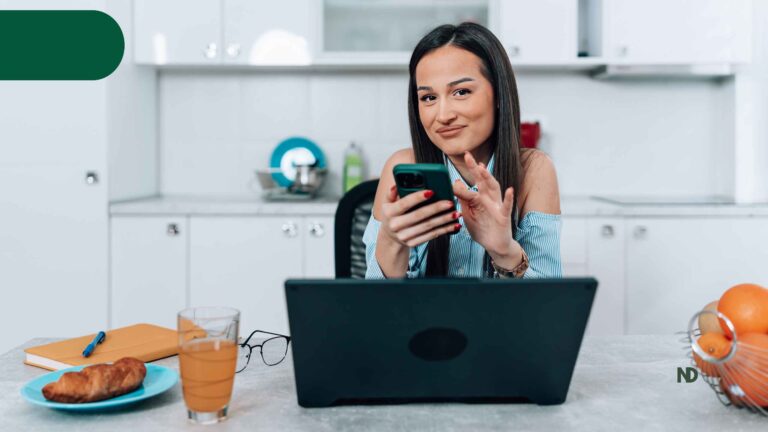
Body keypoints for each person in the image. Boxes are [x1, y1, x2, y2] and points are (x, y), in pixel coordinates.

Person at [363, 22, 562, 279]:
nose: (443, 115)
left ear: (499, 95)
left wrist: (505, 252)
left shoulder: (533, 170)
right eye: (428, 98)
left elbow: (547, 311)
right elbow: (376, 312)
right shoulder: (401, 166)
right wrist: (391, 243)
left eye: (461, 92)